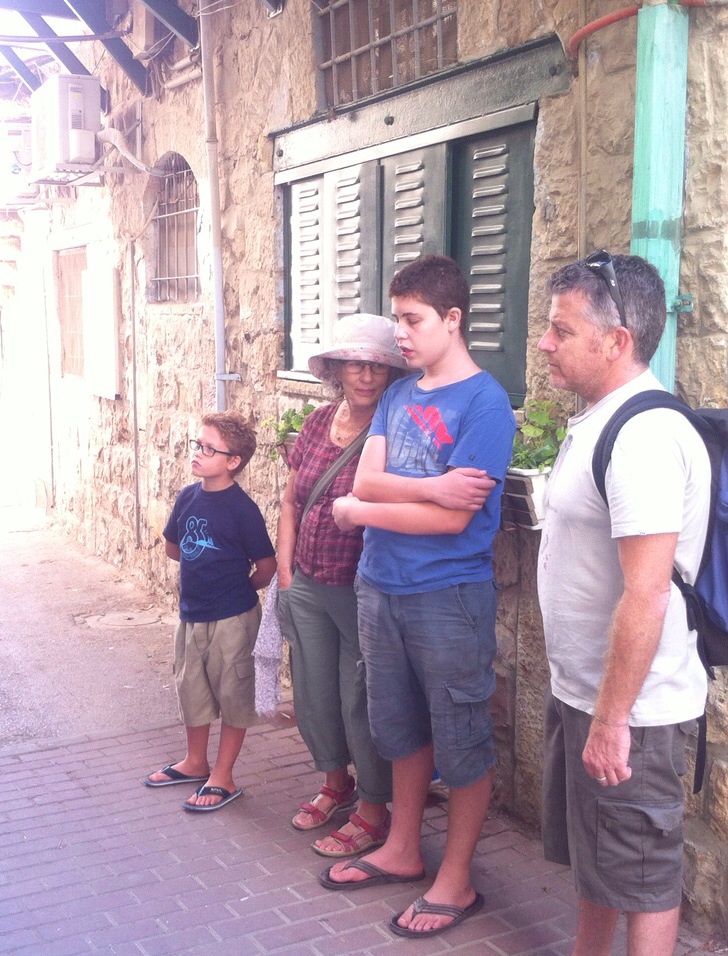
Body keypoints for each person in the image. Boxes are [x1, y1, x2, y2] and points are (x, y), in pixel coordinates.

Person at [321, 254, 514, 941]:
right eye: (397, 318)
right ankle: (403, 849)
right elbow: (367, 480)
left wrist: (362, 511)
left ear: (452, 319)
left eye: (412, 320)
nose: (398, 334)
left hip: (447, 595)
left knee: (461, 738)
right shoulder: (400, 394)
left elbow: (453, 521)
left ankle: (455, 880)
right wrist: (430, 487)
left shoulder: (485, 403)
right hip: (381, 586)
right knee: (399, 727)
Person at [535, 251, 710, 956]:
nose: (544, 342)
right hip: (588, 691)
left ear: (616, 341)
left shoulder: (644, 437)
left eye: (562, 330)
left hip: (630, 709)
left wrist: (612, 721)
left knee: (641, 871)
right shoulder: (602, 419)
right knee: (600, 855)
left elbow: (648, 591)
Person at [275, 314, 409, 856]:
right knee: (313, 690)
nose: (366, 376)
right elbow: (290, 501)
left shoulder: (394, 431)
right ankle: (335, 783)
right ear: (335, 369)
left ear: (392, 373)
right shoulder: (316, 422)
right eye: (355, 364)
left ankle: (374, 806)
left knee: (361, 697)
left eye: (378, 366)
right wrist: (286, 573)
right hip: (307, 580)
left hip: (360, 588)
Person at [145, 411, 277, 811]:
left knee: (234, 693)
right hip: (191, 614)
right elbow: (173, 546)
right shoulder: (187, 497)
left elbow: (266, 565)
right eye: (197, 444)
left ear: (233, 461)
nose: (198, 453)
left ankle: (223, 775)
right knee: (192, 689)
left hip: (232, 619)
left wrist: (239, 589)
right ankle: (195, 761)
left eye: (209, 449)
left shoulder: (242, 509)